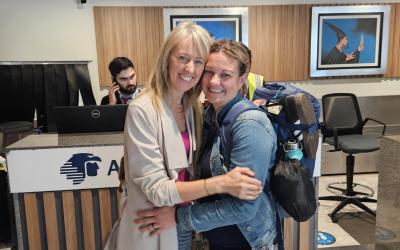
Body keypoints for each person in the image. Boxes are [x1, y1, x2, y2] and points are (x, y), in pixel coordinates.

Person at [115, 23, 263, 250]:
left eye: (198, 61)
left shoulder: (192, 106)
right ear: (167, 58)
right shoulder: (142, 110)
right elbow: (157, 189)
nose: (190, 69)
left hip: (180, 221)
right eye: (183, 57)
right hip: (152, 224)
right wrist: (222, 183)